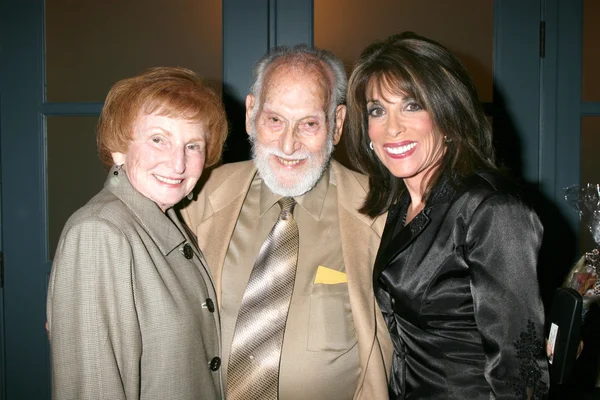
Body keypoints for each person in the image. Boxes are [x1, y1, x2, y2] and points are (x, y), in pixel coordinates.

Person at [180, 45, 392, 400]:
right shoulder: (195, 196)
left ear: (337, 124)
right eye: (274, 120)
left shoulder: (383, 213)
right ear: (251, 114)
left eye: (309, 123)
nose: (289, 144)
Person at [345, 32, 550, 399]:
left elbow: (520, 372)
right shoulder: (399, 205)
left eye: (411, 106)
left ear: (447, 114)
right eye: (378, 110)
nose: (392, 128)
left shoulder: (491, 211)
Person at [46, 67, 227, 399]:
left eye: (192, 145)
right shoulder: (99, 233)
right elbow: (92, 387)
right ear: (119, 148)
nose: (177, 164)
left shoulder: (165, 220)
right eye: (159, 139)